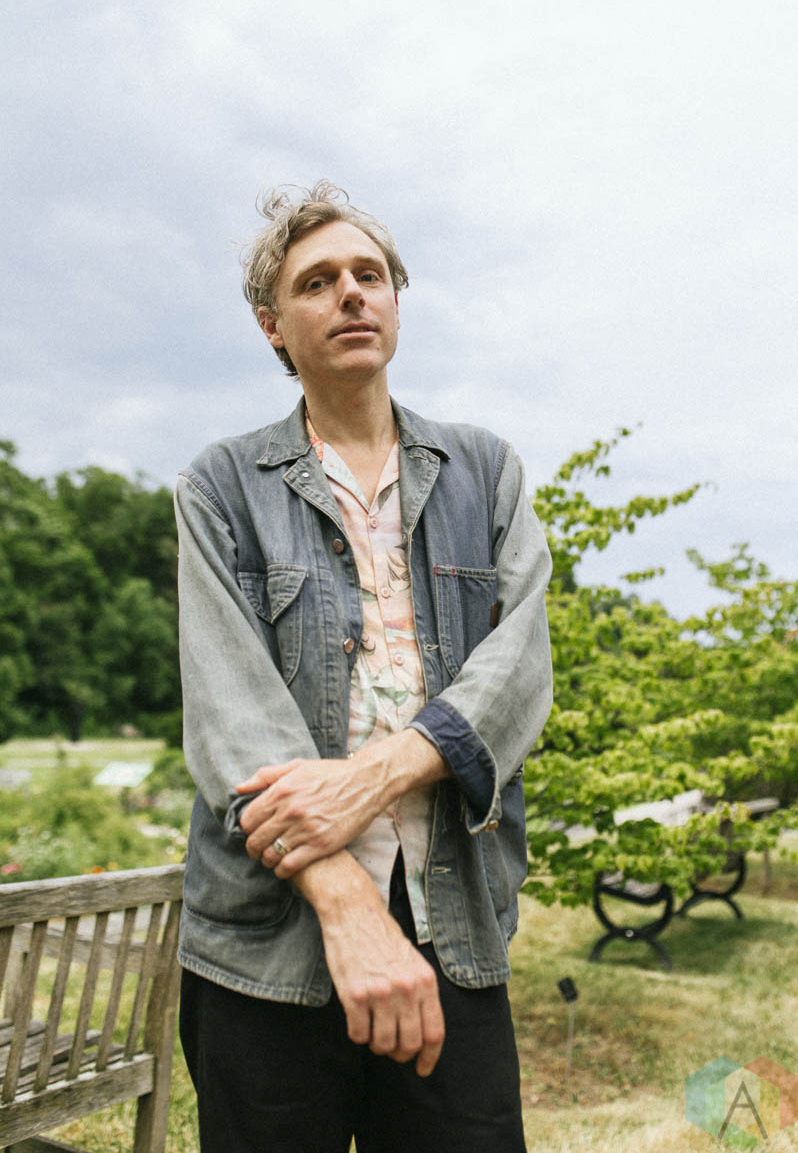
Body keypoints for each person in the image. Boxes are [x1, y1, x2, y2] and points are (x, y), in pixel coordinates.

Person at [175, 181, 553, 1153]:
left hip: (451, 929)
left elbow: (517, 672)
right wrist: (345, 904)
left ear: (393, 300)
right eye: (316, 282)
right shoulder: (220, 486)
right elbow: (231, 717)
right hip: (266, 946)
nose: (350, 292)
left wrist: (375, 774)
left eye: (369, 275)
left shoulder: (484, 471)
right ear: (272, 327)